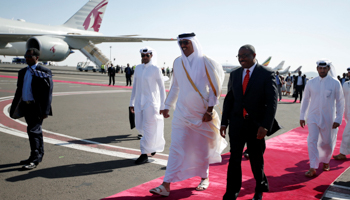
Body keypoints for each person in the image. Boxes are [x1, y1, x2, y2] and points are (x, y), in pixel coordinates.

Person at [149, 33, 226, 197]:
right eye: (181, 42)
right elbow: (175, 86)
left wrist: (210, 111)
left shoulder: (206, 62)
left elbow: (215, 89)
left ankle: (205, 177)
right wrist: (167, 106)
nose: (183, 45)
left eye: (186, 42)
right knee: (176, 148)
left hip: (201, 115)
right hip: (182, 114)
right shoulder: (178, 62)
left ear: (194, 43)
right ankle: (166, 185)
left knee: (201, 149)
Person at [221, 44, 278, 200]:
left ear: (254, 55)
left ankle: (259, 188)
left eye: (245, 55)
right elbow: (230, 99)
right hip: (237, 124)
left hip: (256, 126)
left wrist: (265, 126)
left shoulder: (265, 74)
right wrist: (224, 122)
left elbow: (272, 103)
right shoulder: (235, 74)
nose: (241, 58)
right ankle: (231, 193)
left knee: (256, 159)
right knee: (234, 159)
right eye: (239, 56)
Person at [9, 48, 53, 170]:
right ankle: (35, 155)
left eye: (29, 56)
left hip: (37, 107)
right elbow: (19, 90)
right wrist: (15, 107)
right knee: (32, 131)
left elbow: (48, 93)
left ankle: (35, 159)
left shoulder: (44, 71)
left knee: (34, 131)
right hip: (26, 105)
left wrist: (45, 111)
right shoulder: (22, 72)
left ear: (37, 58)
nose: (26, 58)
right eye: (25, 56)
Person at [300, 59, 344, 177]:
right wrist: (302, 115)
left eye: (325, 68)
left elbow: (340, 102)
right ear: (317, 69)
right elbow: (305, 100)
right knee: (312, 140)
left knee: (327, 142)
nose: (322, 70)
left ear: (328, 69)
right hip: (313, 116)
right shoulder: (311, 82)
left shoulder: (335, 83)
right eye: (320, 68)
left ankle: (325, 161)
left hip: (328, 117)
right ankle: (313, 167)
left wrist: (338, 118)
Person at [129, 47, 166, 165]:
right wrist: (132, 102)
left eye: (147, 55)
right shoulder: (138, 68)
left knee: (148, 127)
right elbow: (134, 86)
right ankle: (152, 146)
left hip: (151, 103)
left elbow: (161, 88)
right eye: (143, 55)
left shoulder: (155, 69)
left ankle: (144, 154)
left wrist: (162, 105)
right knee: (140, 126)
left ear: (151, 56)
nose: (145, 57)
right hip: (139, 103)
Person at [333, 67, 350, 160]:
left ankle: (343, 154)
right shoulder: (346, 85)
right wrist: (338, 109)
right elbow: (342, 98)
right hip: (347, 113)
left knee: (346, 133)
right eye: (349, 72)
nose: (349, 74)